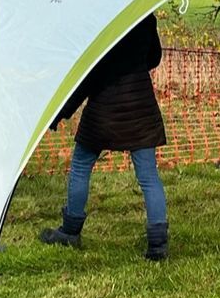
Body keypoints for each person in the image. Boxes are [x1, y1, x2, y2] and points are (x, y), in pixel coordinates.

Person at [39, 15, 170, 260]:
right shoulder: (145, 16)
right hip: (140, 107)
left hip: (103, 110)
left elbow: (87, 78)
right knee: (149, 177)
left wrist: (60, 113)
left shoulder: (100, 18)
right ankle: (158, 245)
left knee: (81, 165)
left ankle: (71, 231)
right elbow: (154, 58)